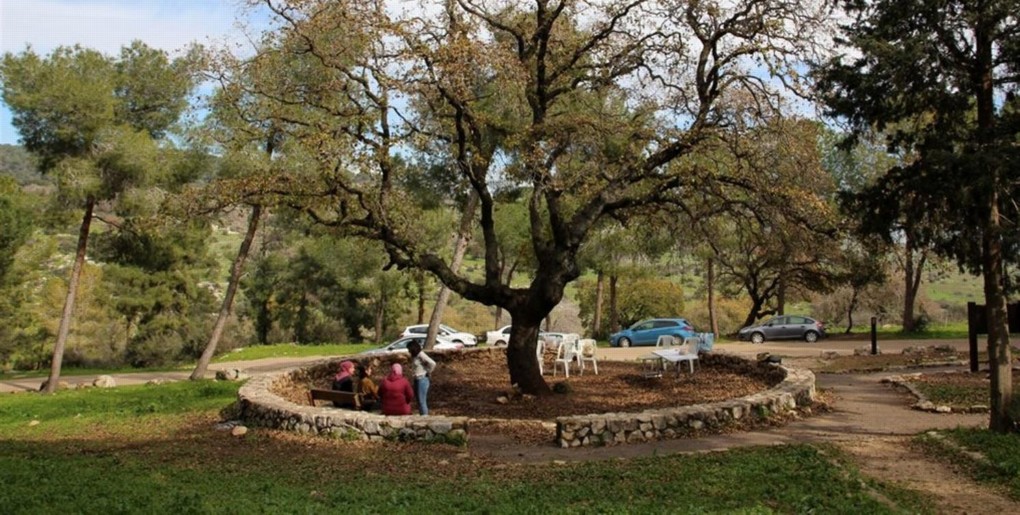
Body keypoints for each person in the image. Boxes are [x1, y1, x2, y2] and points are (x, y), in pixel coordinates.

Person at [406, 340, 436, 415]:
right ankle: (421, 415)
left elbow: (432, 363)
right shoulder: (415, 356)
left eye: (409, 349)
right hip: (416, 379)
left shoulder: (421, 354)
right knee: (419, 400)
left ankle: (424, 417)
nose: (408, 351)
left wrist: (428, 372)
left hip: (422, 379)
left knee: (422, 401)